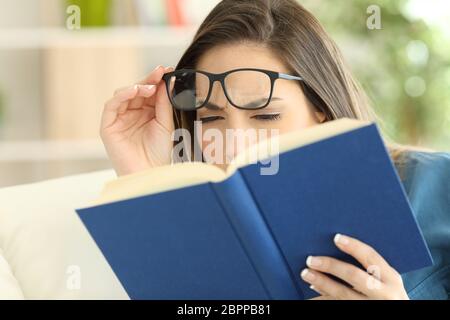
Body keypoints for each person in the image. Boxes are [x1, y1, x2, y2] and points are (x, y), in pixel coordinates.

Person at [99, 0, 449, 299]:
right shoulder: (200, 223)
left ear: (320, 105)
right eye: (211, 117)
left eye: (265, 114)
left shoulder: (437, 186)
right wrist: (144, 179)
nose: (236, 142)